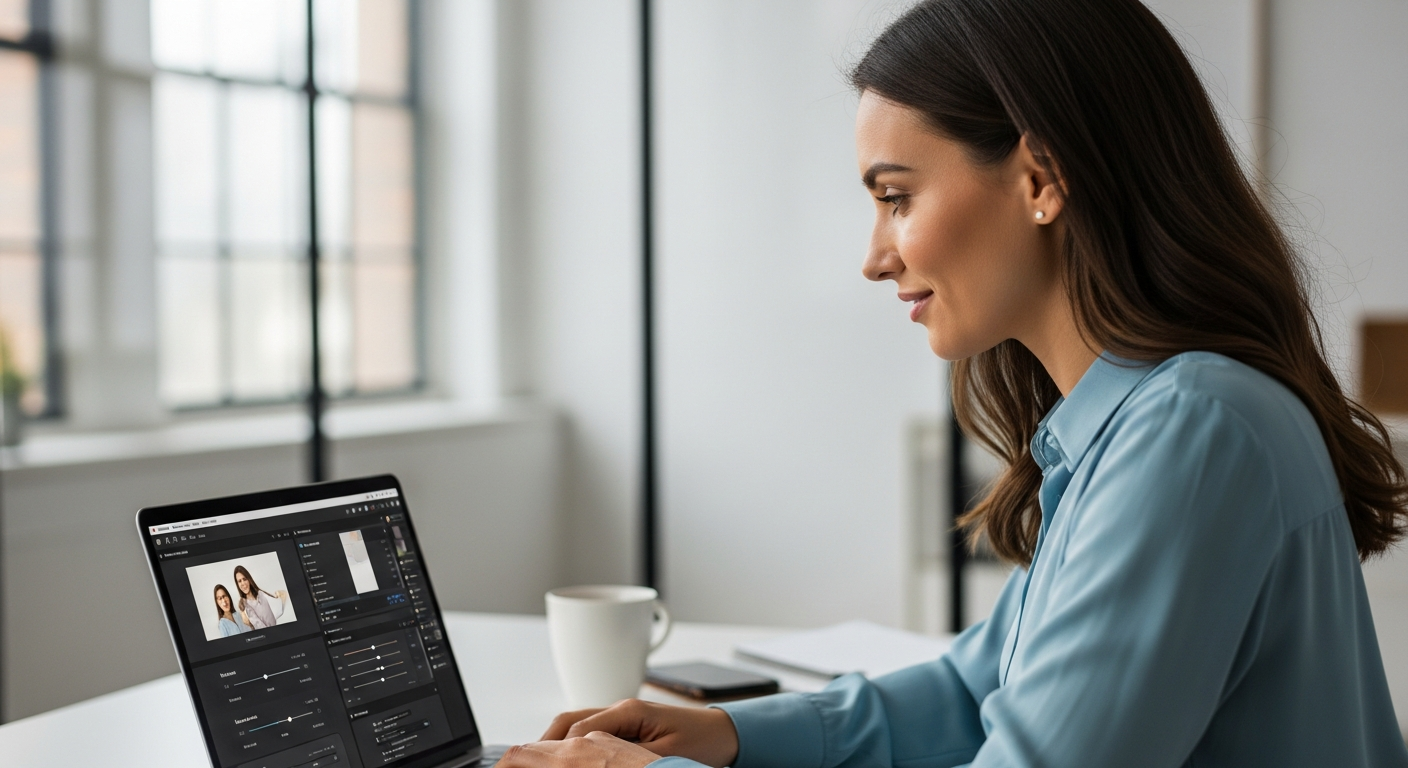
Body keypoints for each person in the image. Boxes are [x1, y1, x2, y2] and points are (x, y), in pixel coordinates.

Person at [500, 0, 1408, 766]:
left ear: (1042, 178)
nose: (873, 257)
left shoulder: (1191, 429)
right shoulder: (1131, 422)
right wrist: (727, 735)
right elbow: (979, 684)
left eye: (896, 197)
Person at [233, 564, 290, 630]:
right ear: (237, 584)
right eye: (239, 581)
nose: (243, 583)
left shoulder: (261, 593)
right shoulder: (245, 605)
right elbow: (258, 625)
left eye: (244, 579)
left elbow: (278, 608)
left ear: (249, 579)